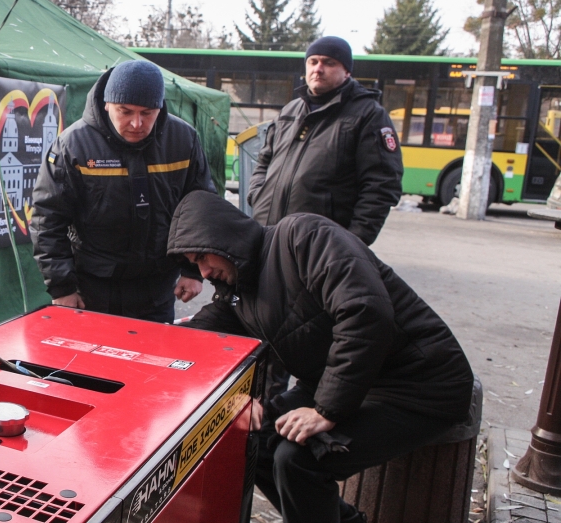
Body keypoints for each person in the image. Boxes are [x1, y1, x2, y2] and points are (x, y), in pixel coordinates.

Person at [167, 190, 474, 523]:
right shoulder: (240, 288)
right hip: (347, 382)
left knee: (297, 459)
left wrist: (326, 410)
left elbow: (365, 312)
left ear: (222, 239)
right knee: (249, 439)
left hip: (419, 384)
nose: (205, 271)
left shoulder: (303, 236)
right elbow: (204, 339)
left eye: (203, 257)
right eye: (195, 264)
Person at [30, 60, 215, 322]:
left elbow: (202, 208)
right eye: (125, 111)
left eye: (147, 113)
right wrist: (62, 288)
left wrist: (194, 270)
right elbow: (47, 220)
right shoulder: (73, 145)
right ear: (107, 104)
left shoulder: (184, 140)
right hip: (93, 288)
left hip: (158, 289)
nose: (137, 123)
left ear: (160, 107)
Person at [249, 36, 403, 246]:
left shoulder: (368, 115)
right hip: (268, 235)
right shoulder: (290, 110)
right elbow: (264, 160)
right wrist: (257, 195)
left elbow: (382, 185)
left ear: (347, 71)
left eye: (329, 63)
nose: (318, 69)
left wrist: (355, 240)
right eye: (313, 62)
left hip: (321, 246)